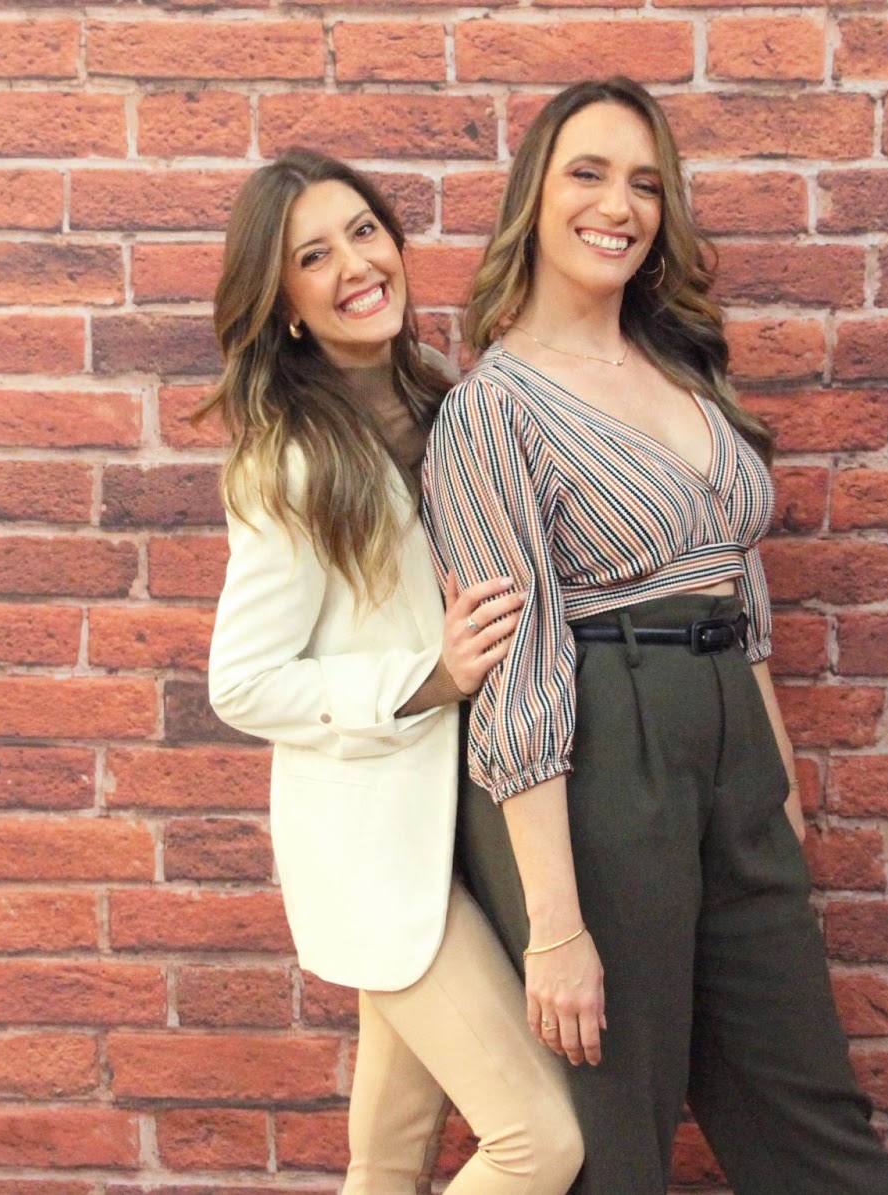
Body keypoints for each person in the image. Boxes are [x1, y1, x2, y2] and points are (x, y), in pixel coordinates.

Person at [421, 80, 888, 1195]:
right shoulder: (493, 409)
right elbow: (517, 665)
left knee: (813, 1116)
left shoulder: (684, 372)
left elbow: (742, 595)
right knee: (619, 1136)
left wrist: (776, 793)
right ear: (534, 197)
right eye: (587, 174)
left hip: (730, 754)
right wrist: (555, 925)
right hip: (602, 758)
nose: (619, 206)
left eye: (645, 184)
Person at [203, 149, 583, 1195]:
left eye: (364, 232)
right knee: (540, 1142)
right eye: (312, 257)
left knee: (387, 1157)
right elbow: (242, 682)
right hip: (383, 857)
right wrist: (426, 678)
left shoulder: (443, 400)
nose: (354, 266)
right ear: (283, 306)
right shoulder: (290, 459)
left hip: (466, 826)